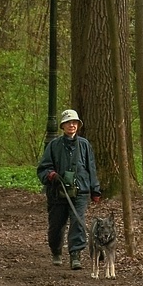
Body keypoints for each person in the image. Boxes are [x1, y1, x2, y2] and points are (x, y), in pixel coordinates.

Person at [36, 109, 101, 269]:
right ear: (63, 126)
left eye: (74, 122)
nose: (72, 125)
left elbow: (91, 168)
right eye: (68, 122)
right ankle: (56, 251)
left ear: (78, 125)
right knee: (56, 225)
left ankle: (75, 255)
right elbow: (43, 168)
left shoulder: (85, 145)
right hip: (57, 193)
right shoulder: (53, 146)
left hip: (80, 191)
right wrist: (51, 175)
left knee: (78, 222)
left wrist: (95, 189)